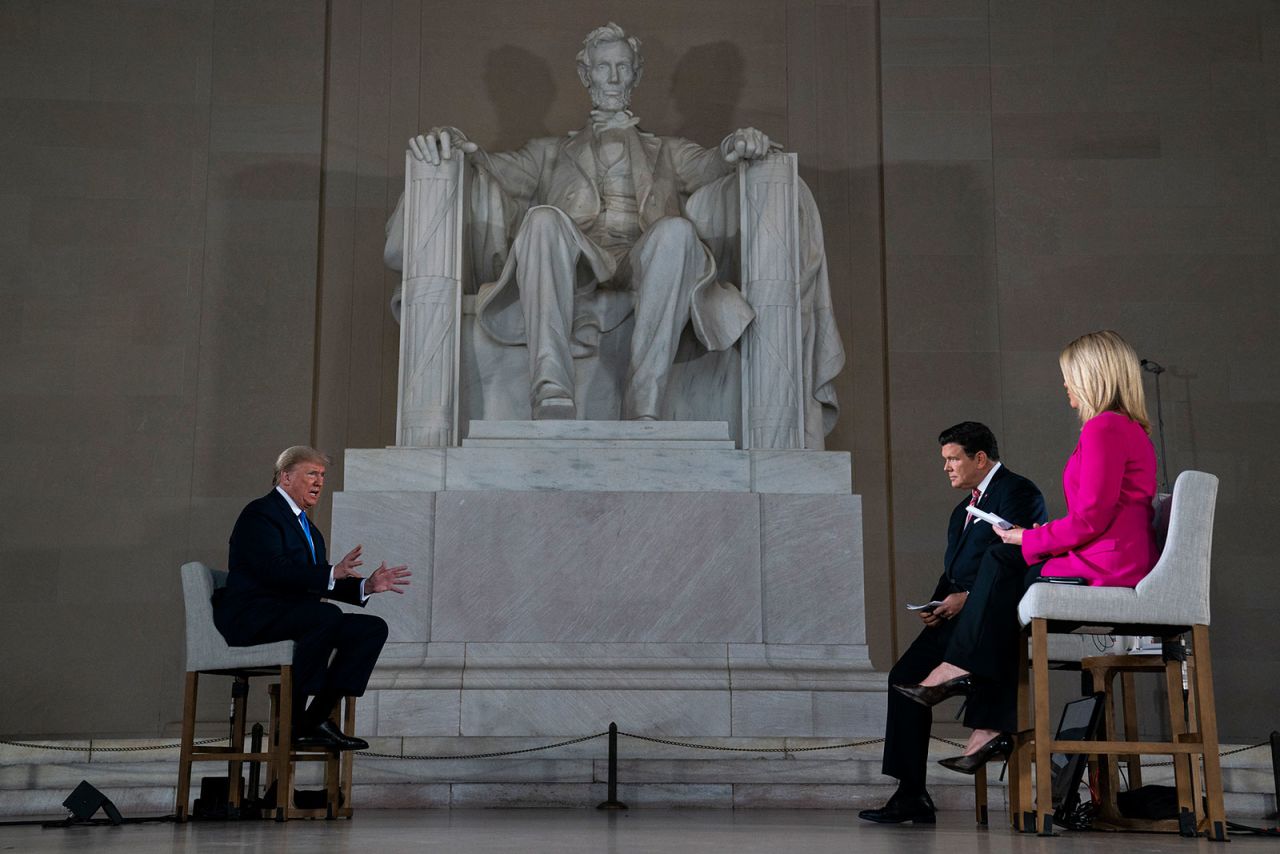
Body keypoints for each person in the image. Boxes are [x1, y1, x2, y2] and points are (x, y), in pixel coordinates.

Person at [387, 22, 843, 429]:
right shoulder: (548, 152)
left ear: (636, 75)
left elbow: (711, 164)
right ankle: (551, 386)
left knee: (677, 232)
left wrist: (739, 142)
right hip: (580, 259)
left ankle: (645, 397)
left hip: (645, 257)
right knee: (542, 220)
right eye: (603, 68)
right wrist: (454, 139)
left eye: (622, 67)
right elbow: (490, 165)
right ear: (586, 76)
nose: (613, 78)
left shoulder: (666, 150)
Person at [898, 330, 1159, 777]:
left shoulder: (1105, 427)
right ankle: (983, 724)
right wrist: (1032, 538)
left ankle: (961, 677)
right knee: (1001, 595)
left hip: (1109, 561)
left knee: (1001, 563)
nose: (1065, 386)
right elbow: (1096, 515)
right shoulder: (1124, 427)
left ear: (1092, 376)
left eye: (1068, 376)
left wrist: (1026, 539)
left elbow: (1091, 518)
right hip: (1109, 552)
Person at [859, 423, 1046, 824]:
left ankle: (987, 729)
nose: (946, 467)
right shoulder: (961, 509)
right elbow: (954, 571)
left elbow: (1012, 560)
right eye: (944, 460)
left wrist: (967, 598)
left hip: (993, 614)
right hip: (956, 613)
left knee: (939, 672)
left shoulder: (1019, 491)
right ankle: (911, 794)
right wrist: (938, 602)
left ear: (979, 458)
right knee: (902, 679)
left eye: (952, 458)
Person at [213, 446, 412, 751]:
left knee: (371, 629)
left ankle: (314, 719)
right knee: (325, 617)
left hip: (292, 616)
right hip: (251, 616)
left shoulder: (310, 530)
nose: (319, 481)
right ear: (286, 476)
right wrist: (330, 572)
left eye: (322, 475)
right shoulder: (260, 513)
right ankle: (291, 723)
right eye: (311, 474)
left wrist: (365, 587)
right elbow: (273, 570)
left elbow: (318, 581)